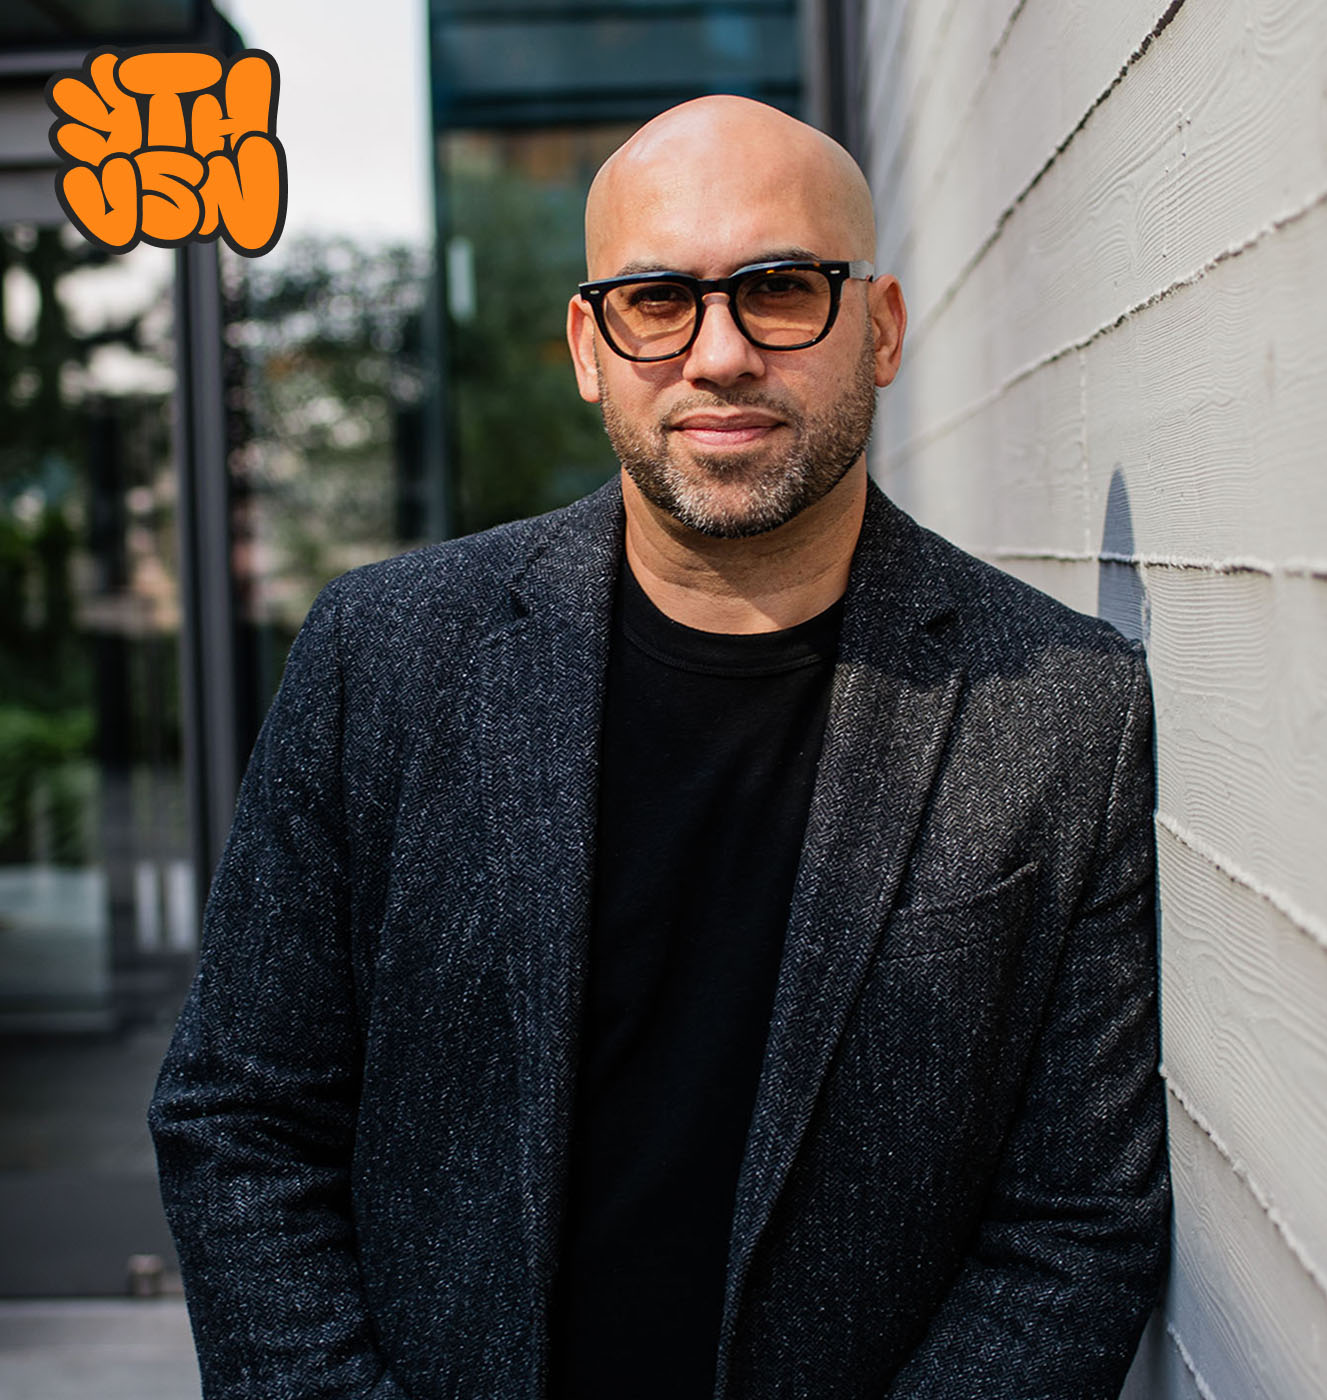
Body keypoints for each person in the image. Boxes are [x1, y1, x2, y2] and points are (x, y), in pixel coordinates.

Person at [150, 96, 1168, 1399]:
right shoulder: (385, 655)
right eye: (657, 300)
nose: (722, 353)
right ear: (589, 342)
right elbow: (241, 1121)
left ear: (884, 326)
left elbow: (1076, 1216)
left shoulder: (1063, 713)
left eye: (781, 287)